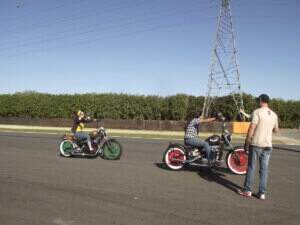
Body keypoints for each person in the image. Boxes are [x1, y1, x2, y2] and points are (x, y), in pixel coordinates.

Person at [238, 94, 279, 200]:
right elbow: (276, 130)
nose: (257, 102)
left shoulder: (257, 112)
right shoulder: (274, 115)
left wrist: (247, 141)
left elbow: (252, 127)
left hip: (256, 143)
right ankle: (262, 193)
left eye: (258, 101)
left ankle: (247, 190)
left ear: (261, 100)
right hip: (268, 145)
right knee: (264, 169)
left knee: (251, 167)